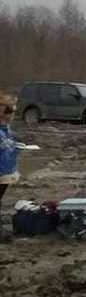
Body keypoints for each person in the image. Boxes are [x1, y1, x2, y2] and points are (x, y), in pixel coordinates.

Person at [0, 94, 22, 242]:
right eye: (12, 111)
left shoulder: (6, 128)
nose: (13, 115)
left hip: (6, 169)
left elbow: (10, 144)